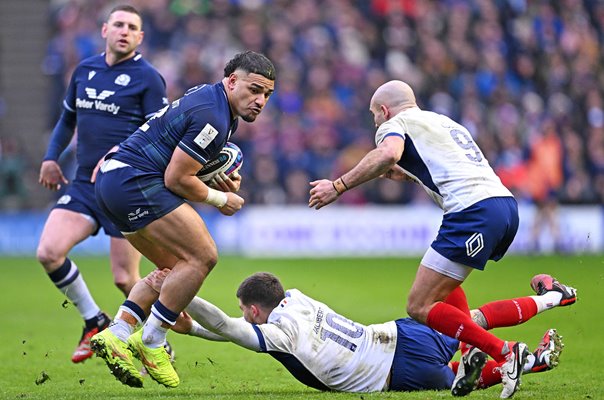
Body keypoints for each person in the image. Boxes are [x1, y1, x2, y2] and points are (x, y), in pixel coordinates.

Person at [307, 80, 578, 398]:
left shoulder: (394, 123)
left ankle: (506, 352)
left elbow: (389, 152)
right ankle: (474, 351)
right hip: (504, 207)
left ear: (384, 110)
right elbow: (433, 164)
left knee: (419, 305)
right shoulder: (443, 121)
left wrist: (337, 186)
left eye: (374, 115)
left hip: (471, 212)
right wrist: (404, 171)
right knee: (448, 289)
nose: (375, 123)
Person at [90, 50, 276, 389]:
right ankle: (152, 340)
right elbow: (176, 179)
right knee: (204, 255)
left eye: (267, 94)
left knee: (175, 271)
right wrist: (222, 199)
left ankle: (117, 332)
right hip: (134, 181)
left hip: (112, 182)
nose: (260, 100)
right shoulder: (214, 117)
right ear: (232, 81)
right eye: (254, 89)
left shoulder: (208, 98)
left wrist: (210, 177)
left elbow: (176, 159)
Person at [146, 271, 572, 395]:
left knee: (462, 378)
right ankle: (552, 298)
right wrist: (194, 331)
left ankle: (527, 362)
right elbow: (236, 330)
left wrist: (180, 290)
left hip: (394, 374)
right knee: (472, 320)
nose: (243, 316)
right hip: (399, 335)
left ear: (256, 309)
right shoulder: (295, 299)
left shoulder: (281, 336)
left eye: (246, 311)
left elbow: (230, 327)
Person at [36, 5, 168, 364]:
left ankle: (156, 339)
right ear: (105, 30)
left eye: (132, 27)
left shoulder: (149, 78)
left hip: (124, 189)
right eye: (119, 25)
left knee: (126, 279)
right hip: (83, 185)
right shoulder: (85, 70)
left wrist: (121, 150)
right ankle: (94, 320)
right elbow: (67, 119)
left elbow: (160, 135)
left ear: (140, 37)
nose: (124, 31)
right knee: (48, 252)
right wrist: (51, 157)